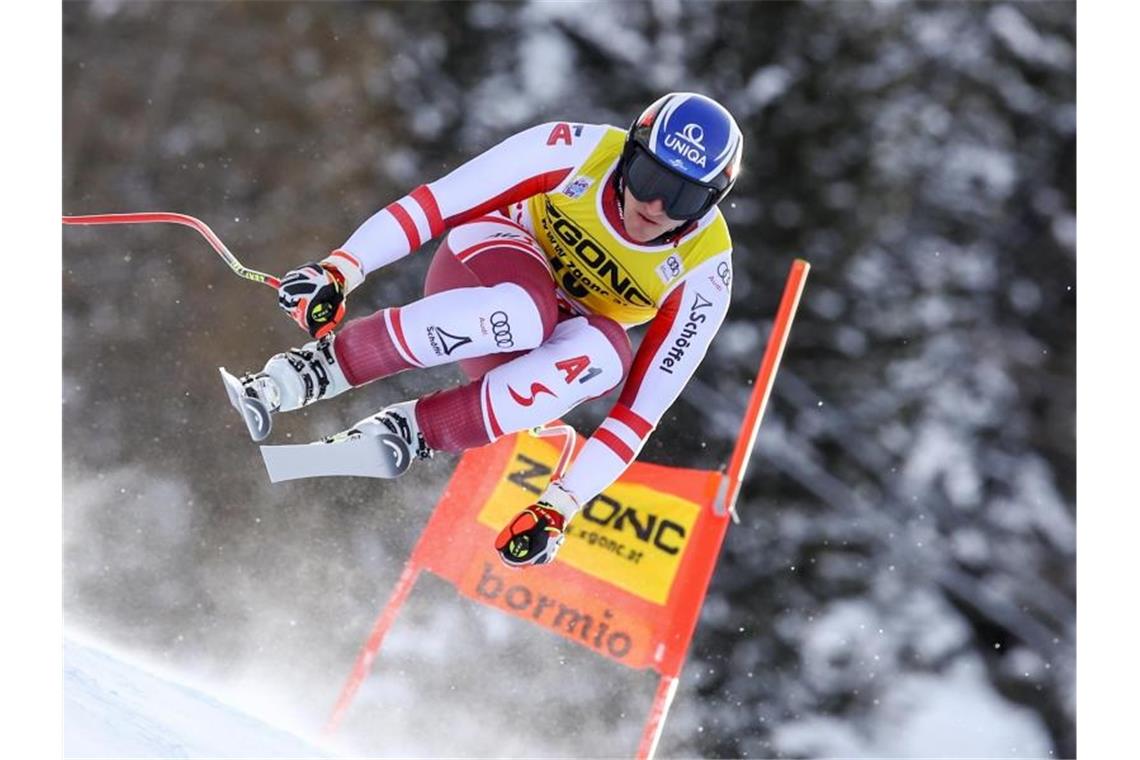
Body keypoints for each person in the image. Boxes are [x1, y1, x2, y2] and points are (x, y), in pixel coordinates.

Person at [226, 92, 743, 569]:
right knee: (527, 310)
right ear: (629, 155)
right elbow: (436, 204)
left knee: (606, 356)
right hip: (488, 263)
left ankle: (415, 431)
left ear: (711, 203)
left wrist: (558, 507)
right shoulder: (574, 151)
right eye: (651, 179)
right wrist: (342, 268)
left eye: (683, 199)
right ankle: (313, 370)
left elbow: (639, 413)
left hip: (542, 345)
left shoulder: (705, 271)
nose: (654, 207)